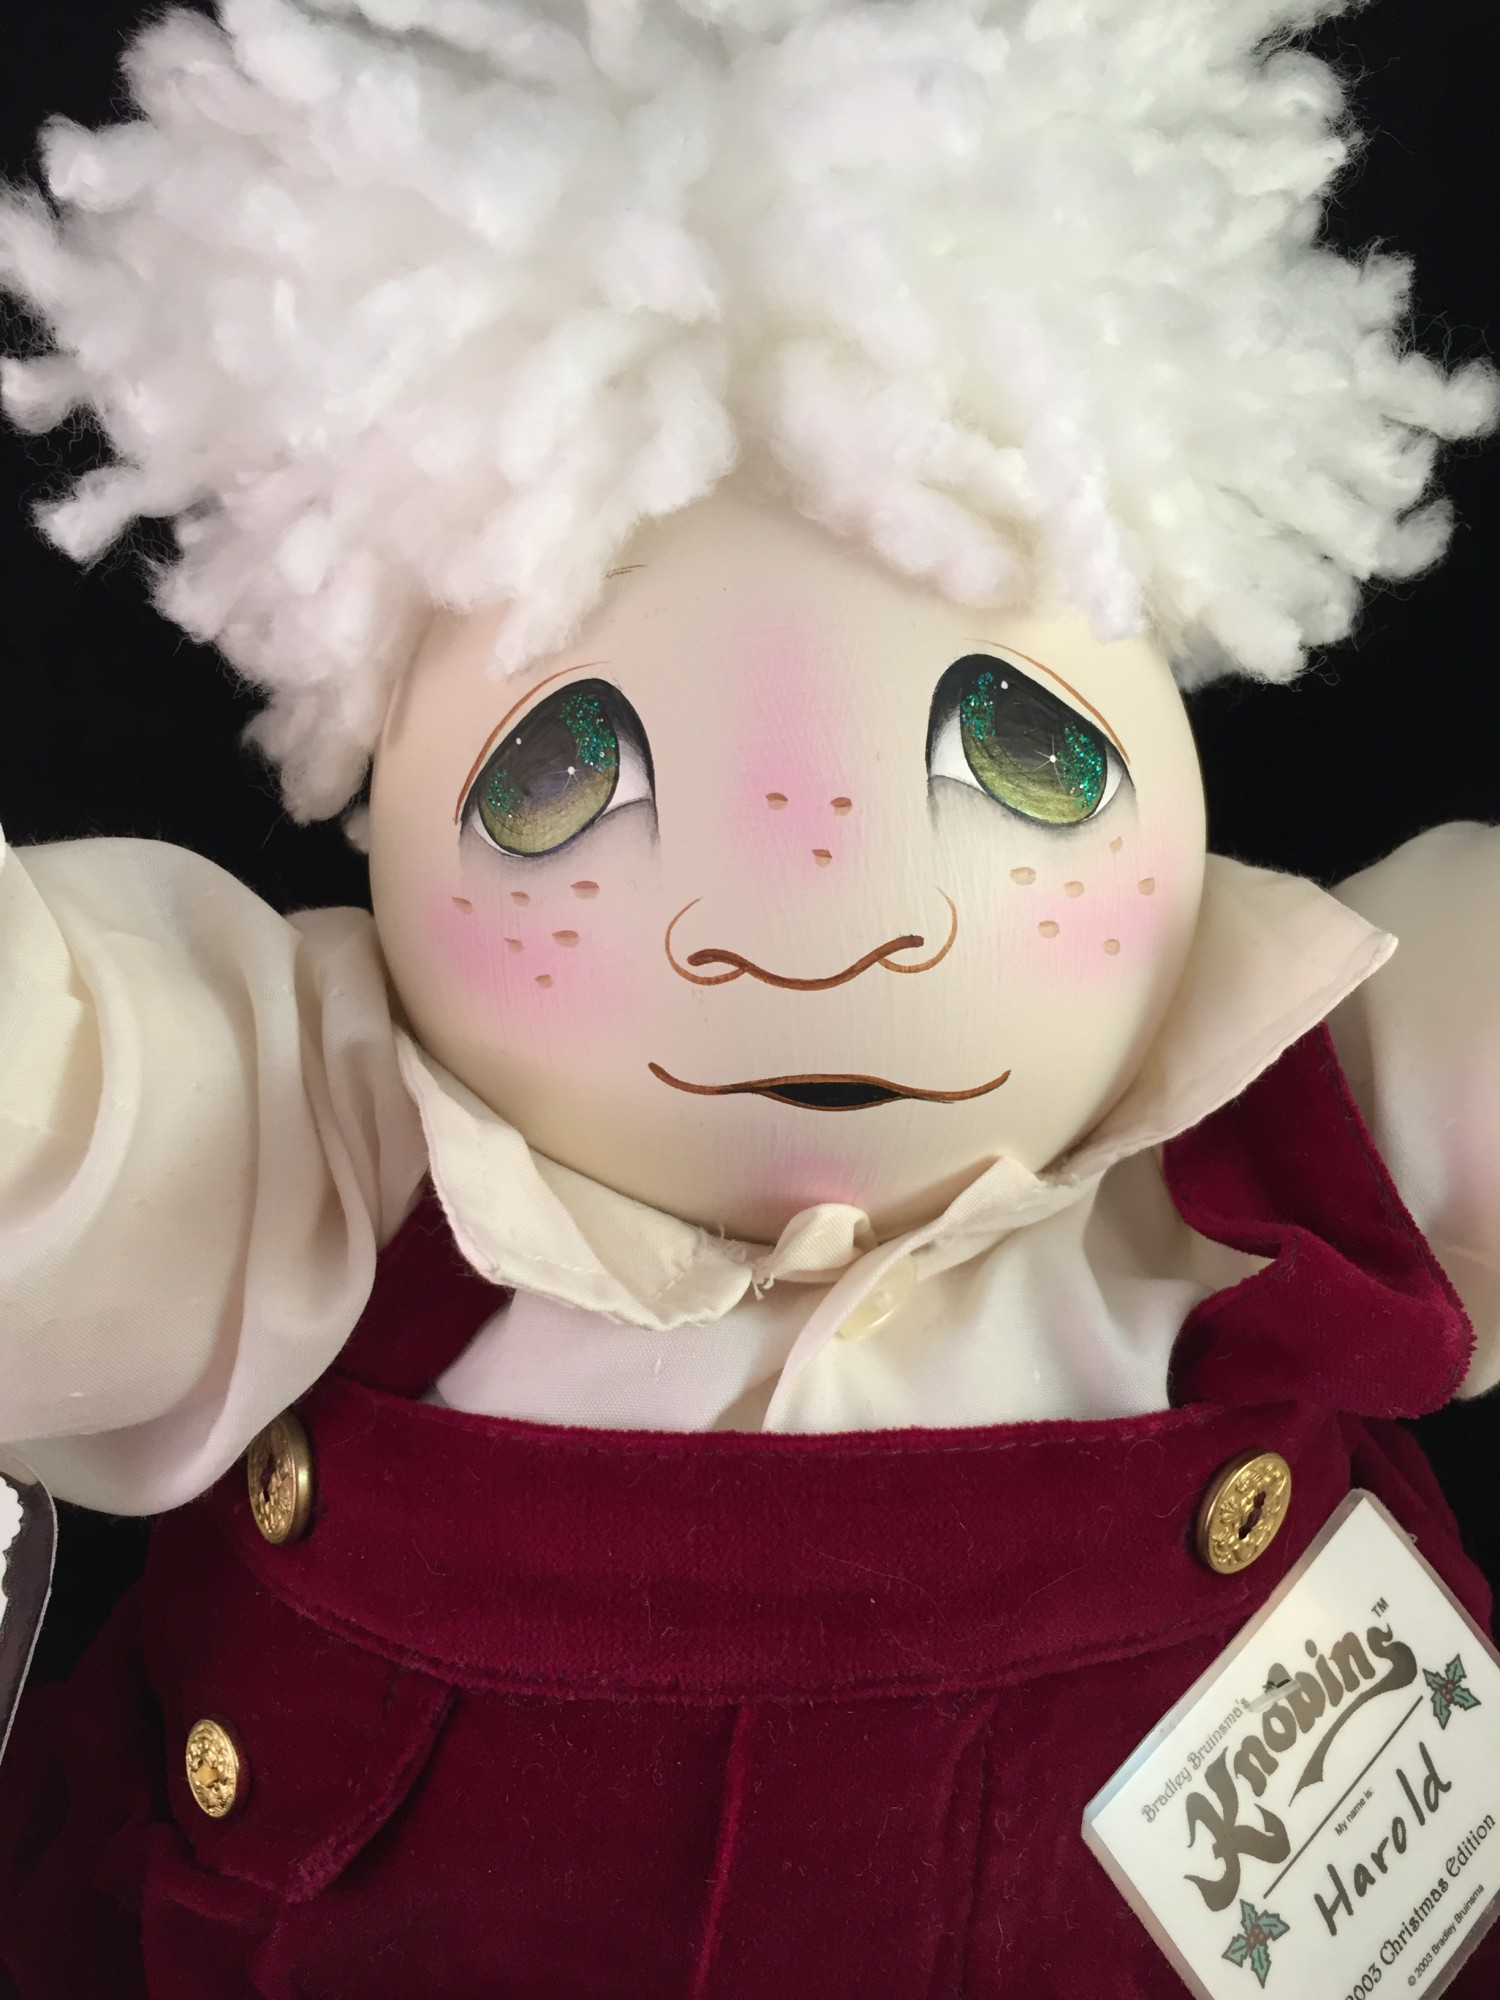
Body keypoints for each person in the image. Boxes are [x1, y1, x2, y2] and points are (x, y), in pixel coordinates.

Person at [0, 3, 1497, 1992]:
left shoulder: (1293, 1120)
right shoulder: (337, 1138)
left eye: (1020, 748)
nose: (812, 931)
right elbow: (71, 1130)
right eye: (566, 775)